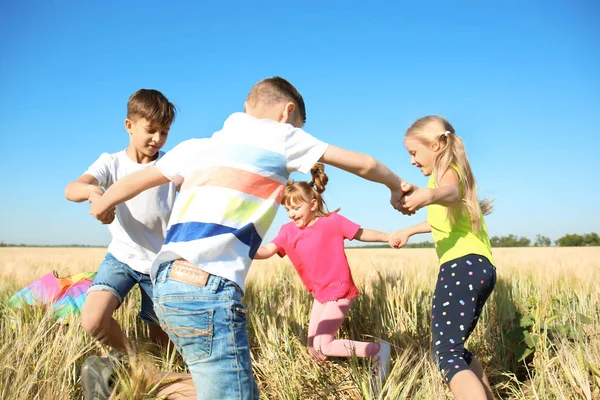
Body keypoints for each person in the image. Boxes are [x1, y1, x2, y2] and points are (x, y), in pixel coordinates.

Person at [89, 76, 410, 400]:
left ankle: (129, 379)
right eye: (297, 125)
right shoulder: (280, 137)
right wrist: (396, 186)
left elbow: (135, 182)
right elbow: (366, 164)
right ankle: (123, 379)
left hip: (166, 286)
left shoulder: (196, 147)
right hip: (208, 288)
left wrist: (103, 203)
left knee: (216, 389)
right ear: (287, 114)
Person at [389, 115, 496, 400]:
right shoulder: (457, 172)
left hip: (460, 267)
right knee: (456, 349)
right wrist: (410, 230)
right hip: (480, 266)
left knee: (446, 354)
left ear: (436, 144)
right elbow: (443, 221)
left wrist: (428, 195)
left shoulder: (447, 172)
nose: (412, 161)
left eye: (414, 152)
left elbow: (450, 192)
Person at [254, 163, 392, 381]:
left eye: (296, 208)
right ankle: (330, 380)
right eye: (287, 209)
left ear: (313, 203)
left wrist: (388, 237)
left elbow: (361, 233)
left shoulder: (332, 222)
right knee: (314, 348)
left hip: (340, 289)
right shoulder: (287, 231)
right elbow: (267, 251)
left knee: (324, 344)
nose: (291, 214)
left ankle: (377, 351)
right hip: (320, 294)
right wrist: (241, 249)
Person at [65, 88, 176, 357]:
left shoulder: (172, 164)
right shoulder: (111, 163)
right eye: (151, 130)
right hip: (121, 258)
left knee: (163, 341)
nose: (157, 138)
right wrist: (95, 194)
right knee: (93, 320)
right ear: (129, 125)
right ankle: (134, 358)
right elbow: (72, 189)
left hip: (161, 265)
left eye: (164, 132)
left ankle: (158, 367)